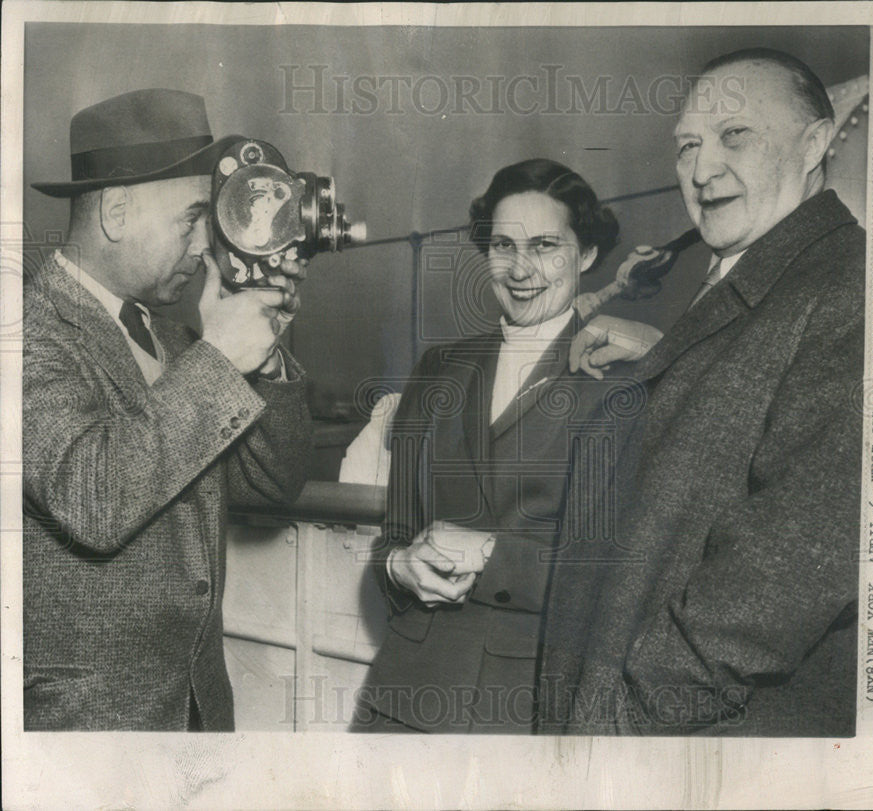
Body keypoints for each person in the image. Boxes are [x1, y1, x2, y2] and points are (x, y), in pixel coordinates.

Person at [537, 48, 865, 736]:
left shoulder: (853, 287)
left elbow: (786, 570)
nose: (702, 168)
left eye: (734, 135)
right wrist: (665, 356)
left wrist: (626, 720)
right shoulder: (762, 279)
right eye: (688, 143)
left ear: (814, 144)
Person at [22, 89, 312, 731]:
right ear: (117, 212)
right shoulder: (28, 332)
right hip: (86, 727)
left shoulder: (176, 342)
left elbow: (272, 486)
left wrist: (261, 358)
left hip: (198, 713)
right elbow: (91, 498)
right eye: (193, 218)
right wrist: (218, 360)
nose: (208, 246)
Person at [354, 159, 621, 733]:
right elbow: (394, 535)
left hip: (531, 709)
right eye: (503, 246)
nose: (521, 269)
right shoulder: (437, 369)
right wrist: (399, 566)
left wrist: (488, 553)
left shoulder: (624, 379)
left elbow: (618, 572)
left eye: (546, 245)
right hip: (406, 701)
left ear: (587, 255)